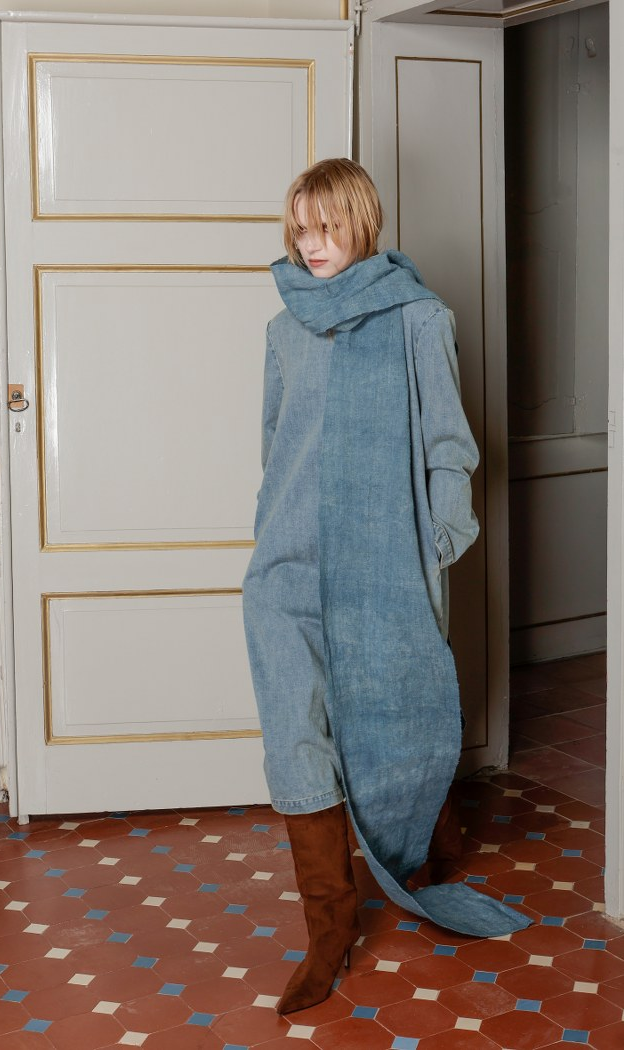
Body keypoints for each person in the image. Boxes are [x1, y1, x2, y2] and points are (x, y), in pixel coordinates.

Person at [241, 158, 529, 1016]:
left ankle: (426, 835)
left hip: (387, 568)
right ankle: (329, 929)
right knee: (296, 735)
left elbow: (452, 448)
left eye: (325, 227)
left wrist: (430, 547)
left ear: (361, 222)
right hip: (288, 567)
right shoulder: (283, 330)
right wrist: (272, 540)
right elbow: (273, 450)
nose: (311, 246)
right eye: (299, 229)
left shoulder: (418, 319)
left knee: (396, 720)